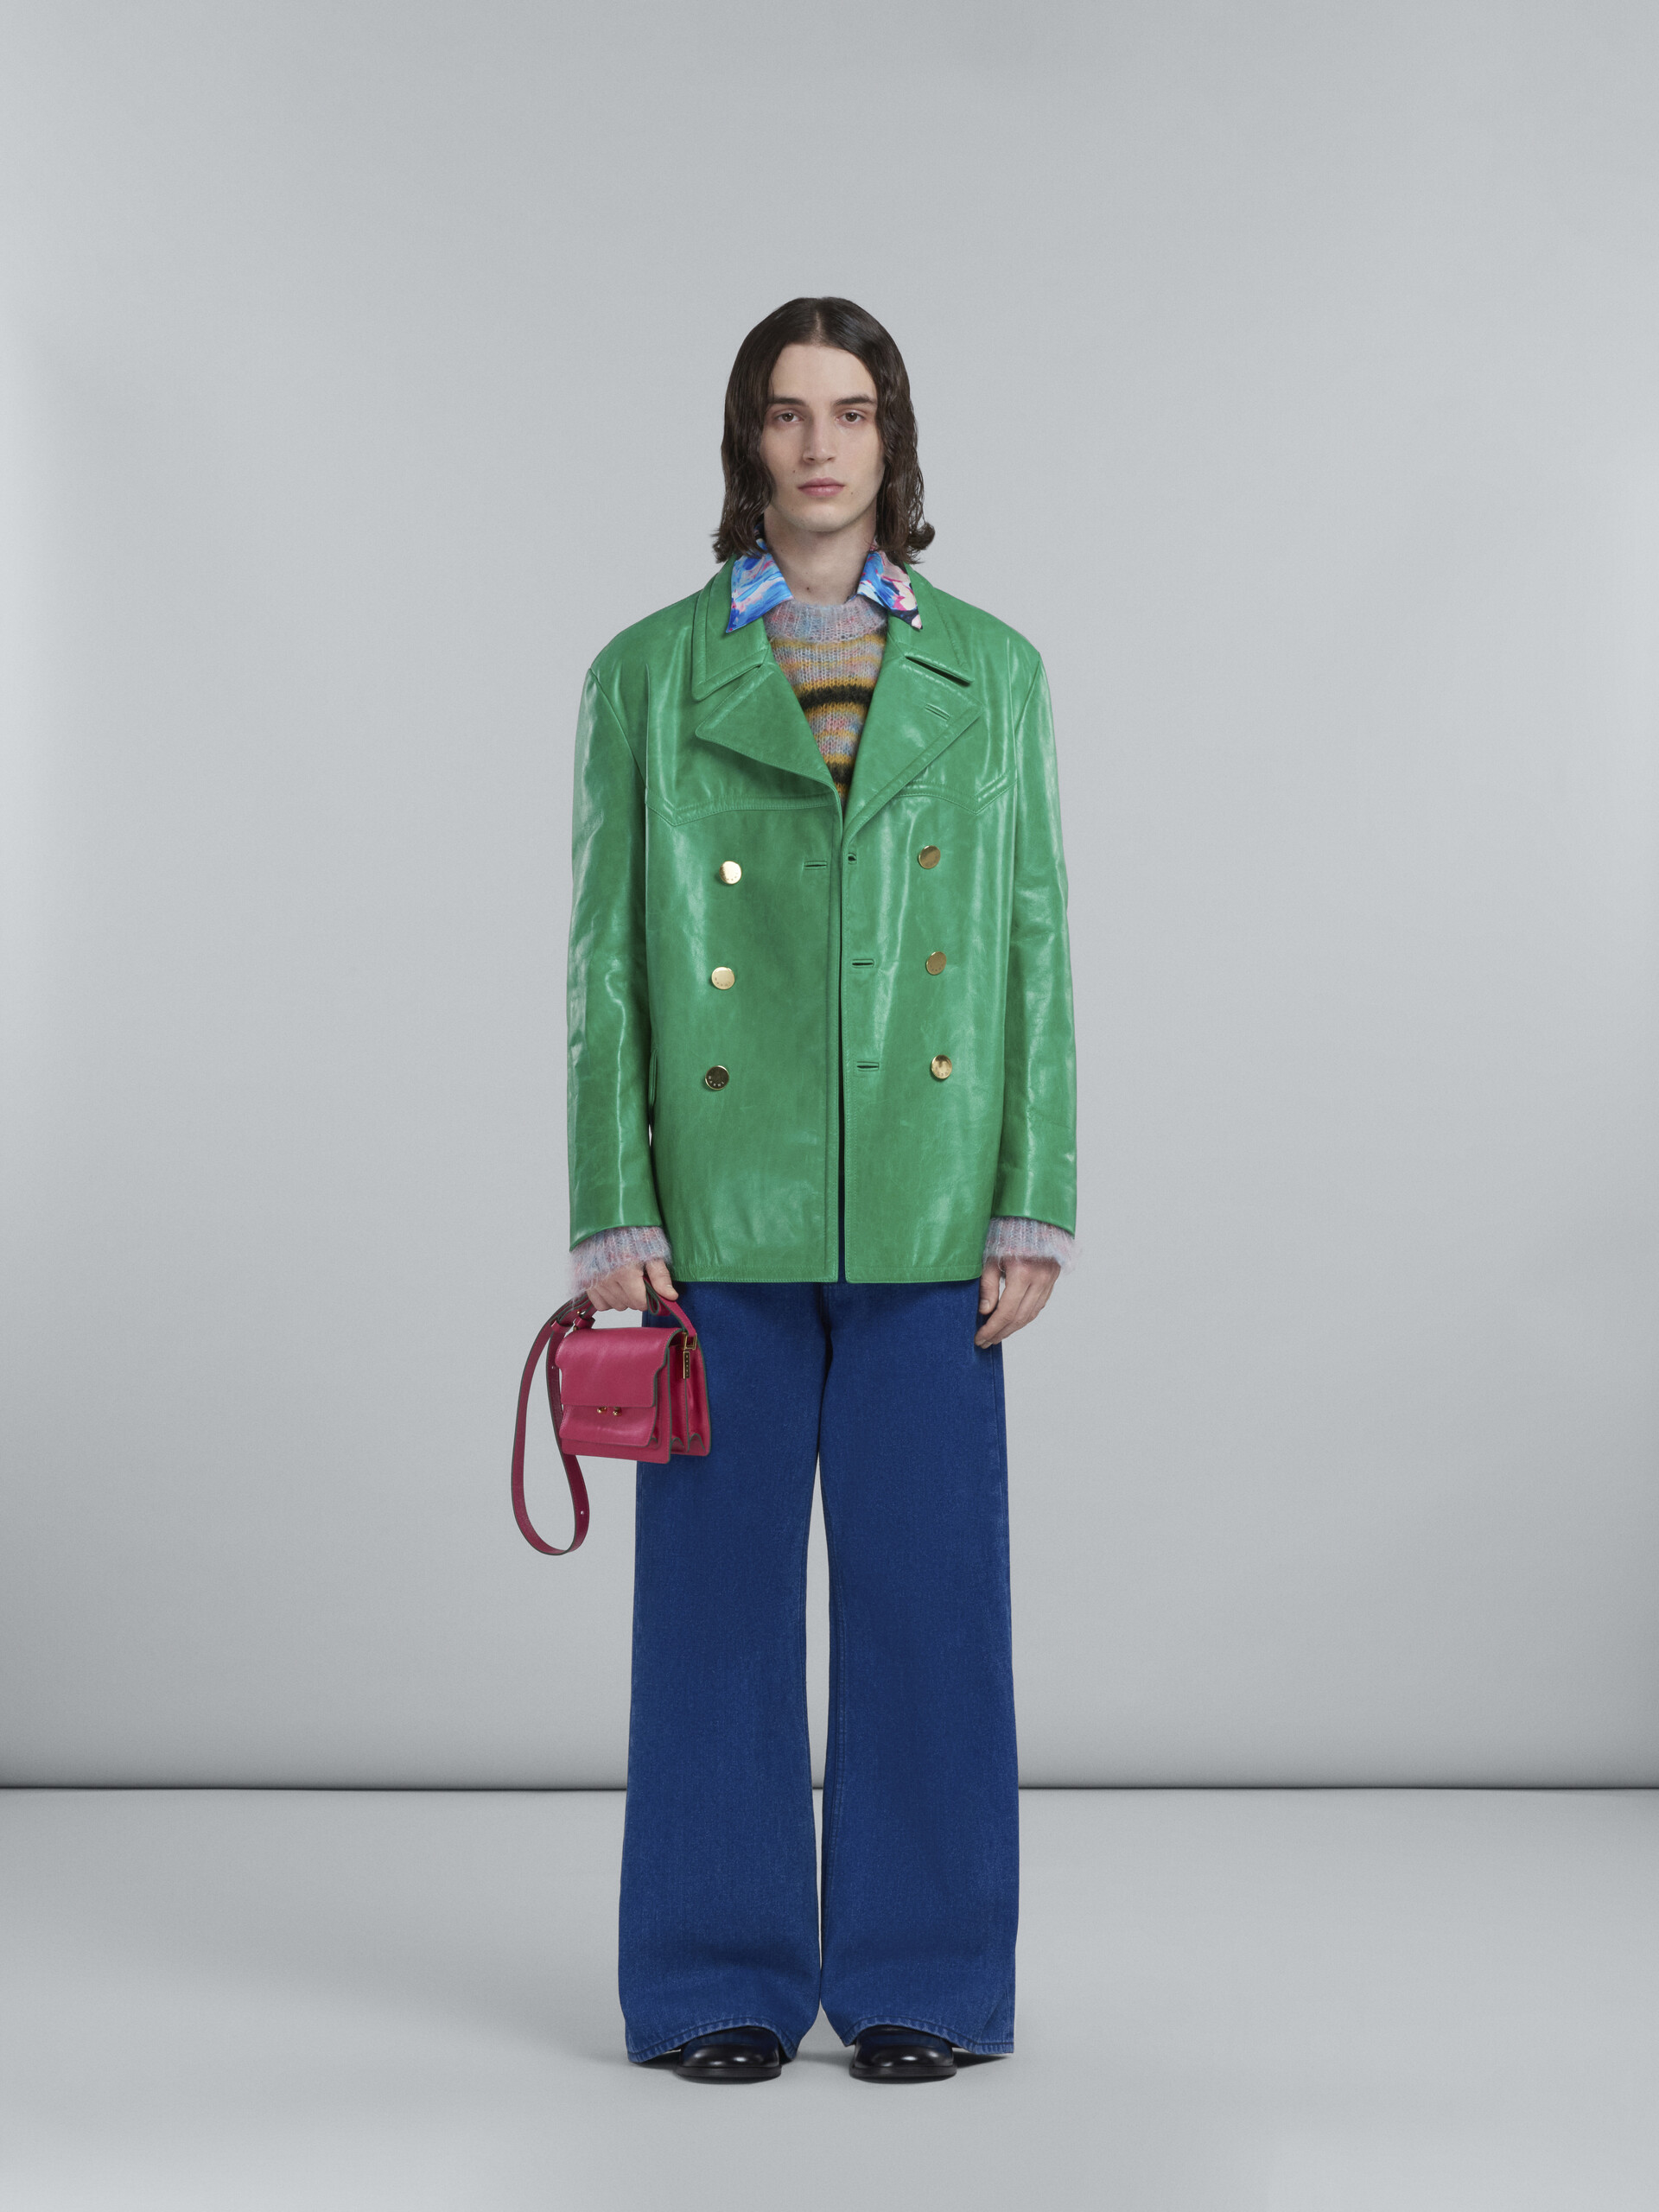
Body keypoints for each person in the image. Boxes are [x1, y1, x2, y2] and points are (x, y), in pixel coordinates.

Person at [564, 296, 1077, 2084]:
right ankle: (715, 1970)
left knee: (932, 1598)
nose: (819, 445)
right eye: (787, 413)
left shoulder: (995, 672)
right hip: (723, 1208)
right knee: (711, 1606)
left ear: (892, 439)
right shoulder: (645, 673)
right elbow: (606, 963)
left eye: (851, 411)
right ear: (747, 441)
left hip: (931, 1204)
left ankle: (924, 1971)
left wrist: (1033, 1194)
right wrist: (616, 1203)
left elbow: (1032, 944)